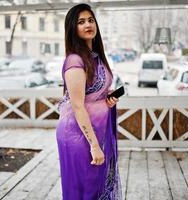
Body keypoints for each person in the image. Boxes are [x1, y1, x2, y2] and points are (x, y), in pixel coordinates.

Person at [56, 3, 122, 200]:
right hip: (79, 136)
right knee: (85, 191)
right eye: (81, 22)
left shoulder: (97, 57)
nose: (88, 25)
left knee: (97, 187)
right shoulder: (75, 61)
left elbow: (92, 94)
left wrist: (106, 98)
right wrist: (94, 145)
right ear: (72, 28)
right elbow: (77, 105)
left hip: (97, 131)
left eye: (91, 20)